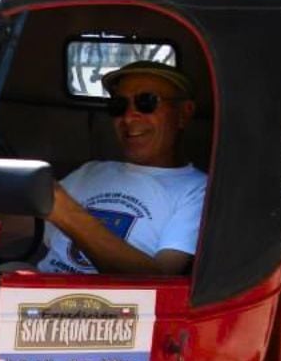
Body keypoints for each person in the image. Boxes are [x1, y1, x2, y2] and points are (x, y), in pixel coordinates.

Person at [37, 61, 207, 276]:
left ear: (183, 113)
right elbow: (25, 225)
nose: (128, 117)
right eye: (118, 106)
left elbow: (160, 282)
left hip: (112, 308)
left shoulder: (198, 190)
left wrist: (68, 215)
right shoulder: (91, 172)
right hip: (39, 294)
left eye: (146, 102)